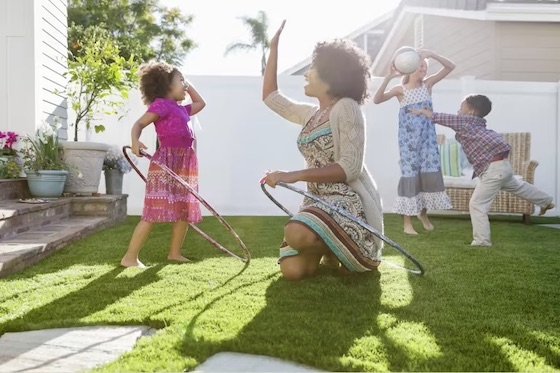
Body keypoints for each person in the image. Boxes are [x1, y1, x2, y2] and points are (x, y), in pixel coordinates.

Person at [262, 21, 384, 280]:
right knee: (292, 271)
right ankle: (330, 249)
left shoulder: (347, 107)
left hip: (344, 201)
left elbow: (350, 168)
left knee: (295, 233)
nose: (306, 74)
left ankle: (343, 246)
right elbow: (271, 97)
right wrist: (273, 48)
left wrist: (291, 175)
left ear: (331, 76)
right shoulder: (310, 114)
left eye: (312, 69)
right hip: (316, 200)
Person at [410, 94, 555, 246]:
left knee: (477, 204)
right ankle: (547, 201)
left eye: (461, 108)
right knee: (520, 187)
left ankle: (482, 241)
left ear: (471, 112)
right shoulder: (478, 125)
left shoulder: (466, 122)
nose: (458, 110)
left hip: (493, 170)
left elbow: (443, 118)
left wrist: (423, 112)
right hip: (503, 167)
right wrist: (429, 113)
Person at [121, 61, 206, 267]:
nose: (185, 85)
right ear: (166, 85)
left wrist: (185, 81)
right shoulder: (161, 105)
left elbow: (201, 103)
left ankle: (174, 253)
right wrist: (135, 141)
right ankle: (129, 257)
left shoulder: (184, 110)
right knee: (152, 211)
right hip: (165, 164)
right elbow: (139, 124)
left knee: (184, 210)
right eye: (180, 81)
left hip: (185, 164)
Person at [373, 49, 455, 235]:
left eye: (425, 67)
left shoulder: (427, 85)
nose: (423, 70)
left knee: (428, 176)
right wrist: (388, 77)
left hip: (428, 142)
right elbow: (377, 100)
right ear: (409, 67)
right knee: (410, 177)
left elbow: (450, 66)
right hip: (409, 143)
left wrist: (432, 54)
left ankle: (423, 214)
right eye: (420, 66)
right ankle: (407, 224)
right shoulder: (399, 90)